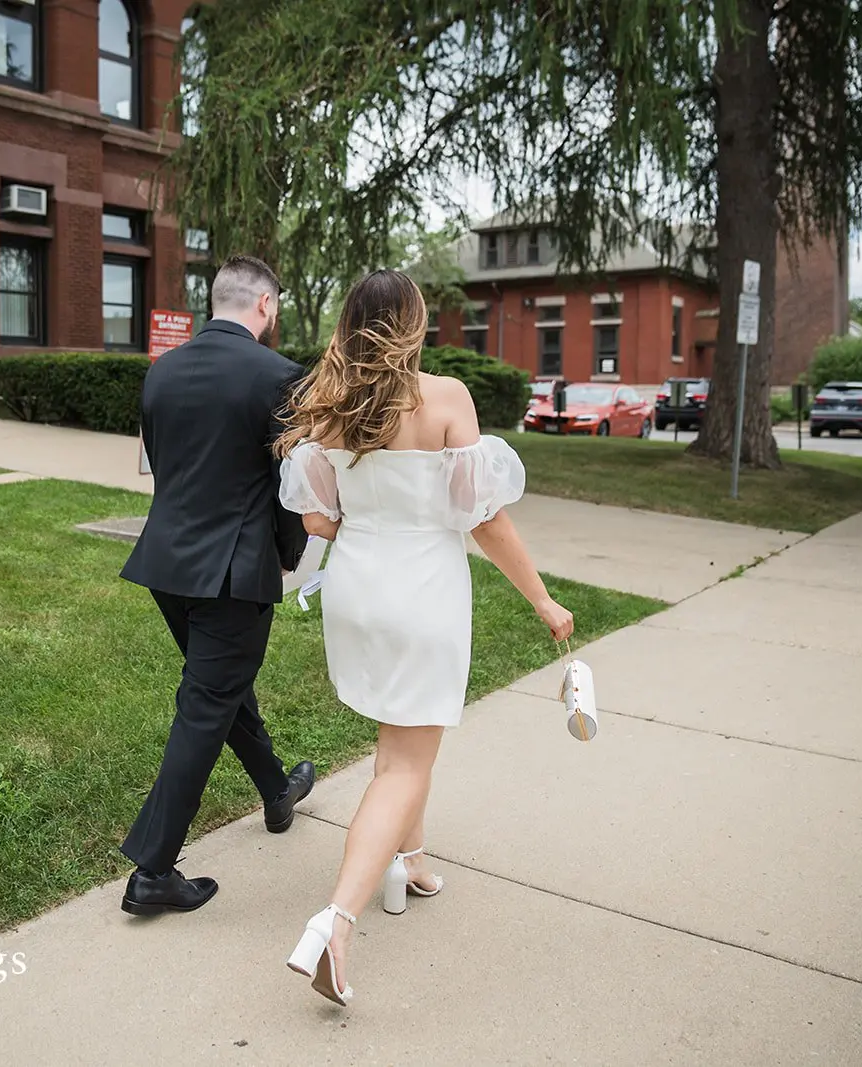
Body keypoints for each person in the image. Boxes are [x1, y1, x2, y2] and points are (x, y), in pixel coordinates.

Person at [275, 270, 574, 1004]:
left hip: (357, 589)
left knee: (399, 732)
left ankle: (407, 861)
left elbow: (314, 518)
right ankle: (335, 921)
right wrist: (542, 599)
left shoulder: (330, 403)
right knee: (406, 761)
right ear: (412, 323)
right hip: (420, 590)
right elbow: (484, 518)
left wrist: (368, 524)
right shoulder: (445, 398)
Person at [116, 254, 317, 917]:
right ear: (264, 305)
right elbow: (287, 487)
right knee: (205, 703)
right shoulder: (281, 376)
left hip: (166, 563)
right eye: (277, 308)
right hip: (233, 568)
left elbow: (163, 463)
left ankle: (276, 790)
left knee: (221, 689)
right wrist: (290, 554)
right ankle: (152, 870)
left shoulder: (162, 372)